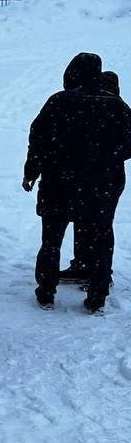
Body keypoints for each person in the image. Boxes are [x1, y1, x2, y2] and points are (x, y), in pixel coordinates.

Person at [24, 53, 131, 313]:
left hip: (57, 182)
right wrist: (106, 159)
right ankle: (97, 295)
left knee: (51, 238)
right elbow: (129, 143)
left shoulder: (58, 101)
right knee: (101, 236)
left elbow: (38, 140)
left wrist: (32, 171)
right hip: (100, 185)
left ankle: (46, 290)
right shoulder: (116, 105)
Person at [59, 68, 127, 286]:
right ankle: (90, 267)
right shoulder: (117, 107)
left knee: (98, 224)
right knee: (94, 222)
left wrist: (104, 156)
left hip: (102, 176)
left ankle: (98, 272)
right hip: (104, 176)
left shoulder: (115, 108)